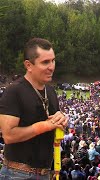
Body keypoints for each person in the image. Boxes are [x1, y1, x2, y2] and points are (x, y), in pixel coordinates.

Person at [0, 38, 68, 179]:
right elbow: (8, 135)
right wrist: (45, 125)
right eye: (45, 62)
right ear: (28, 65)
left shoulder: (50, 91)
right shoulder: (14, 91)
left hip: (45, 173)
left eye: (53, 60)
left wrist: (61, 120)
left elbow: (53, 125)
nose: (51, 67)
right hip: (17, 173)